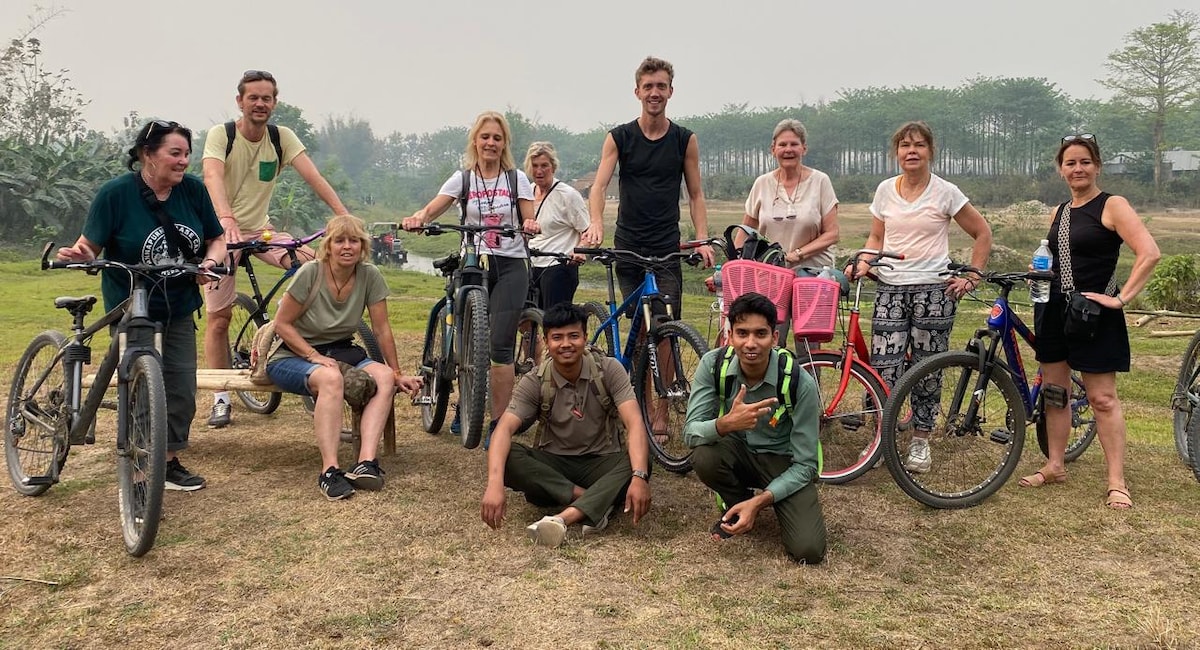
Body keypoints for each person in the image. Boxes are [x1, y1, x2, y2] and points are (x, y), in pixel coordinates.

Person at [57, 120, 225, 491]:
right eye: (175, 153)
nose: (183, 161)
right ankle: (138, 471)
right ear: (147, 154)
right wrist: (81, 254)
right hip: (133, 307)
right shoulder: (116, 194)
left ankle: (168, 462)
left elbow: (216, 238)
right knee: (140, 387)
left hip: (179, 305)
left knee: (181, 388)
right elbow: (89, 245)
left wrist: (211, 262)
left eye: (187, 154)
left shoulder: (193, 191)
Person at [201, 69, 350, 430]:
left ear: (274, 103)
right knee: (219, 318)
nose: (260, 103)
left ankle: (288, 326)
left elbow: (313, 176)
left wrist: (343, 215)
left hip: (261, 229)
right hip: (220, 232)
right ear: (240, 101)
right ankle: (220, 398)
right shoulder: (223, 135)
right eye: (253, 97)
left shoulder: (281, 138)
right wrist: (225, 218)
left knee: (314, 266)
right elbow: (212, 176)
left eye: (266, 98)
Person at [1019, 134, 1160, 510]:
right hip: (1053, 310)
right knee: (1055, 392)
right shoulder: (1060, 211)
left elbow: (1149, 253)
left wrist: (1121, 298)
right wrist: (1038, 270)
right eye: (1070, 163)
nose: (1077, 169)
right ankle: (1055, 465)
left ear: (1097, 166)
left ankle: (1116, 481)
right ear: (1061, 169)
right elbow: (1057, 256)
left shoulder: (1113, 205)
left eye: (1085, 162)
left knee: (1102, 398)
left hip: (1094, 313)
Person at [847, 120, 992, 474]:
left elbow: (982, 232)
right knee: (884, 367)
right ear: (896, 152)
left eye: (919, 145)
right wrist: (864, 261)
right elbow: (876, 237)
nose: (911, 151)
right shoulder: (885, 190)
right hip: (890, 289)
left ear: (930, 151)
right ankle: (881, 440)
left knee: (927, 368)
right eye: (904, 145)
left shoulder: (946, 192)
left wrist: (972, 276)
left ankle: (920, 441)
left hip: (934, 292)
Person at [402, 111, 539, 437]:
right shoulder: (462, 179)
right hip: (473, 262)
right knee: (468, 343)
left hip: (510, 262)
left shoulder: (516, 179)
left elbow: (528, 215)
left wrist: (530, 223)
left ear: (504, 143)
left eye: (497, 138)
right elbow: (433, 207)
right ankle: (466, 405)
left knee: (500, 345)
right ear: (475, 141)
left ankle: (499, 426)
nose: (490, 143)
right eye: (485, 137)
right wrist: (419, 218)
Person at [265, 214, 422, 501]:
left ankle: (366, 462)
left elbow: (382, 329)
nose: (347, 247)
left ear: (363, 246)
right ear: (329, 245)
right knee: (331, 378)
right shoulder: (310, 272)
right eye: (339, 241)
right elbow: (282, 324)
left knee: (384, 377)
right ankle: (329, 471)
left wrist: (397, 372)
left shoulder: (369, 275)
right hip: (291, 353)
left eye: (354, 241)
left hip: (341, 349)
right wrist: (312, 355)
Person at [480, 303, 652, 548]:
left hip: (602, 462)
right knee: (507, 455)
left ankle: (563, 518)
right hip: (554, 465)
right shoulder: (535, 380)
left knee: (641, 461)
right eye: (557, 337)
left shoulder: (609, 369)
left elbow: (634, 423)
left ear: (585, 337)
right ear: (546, 342)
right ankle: (595, 501)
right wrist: (494, 484)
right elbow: (504, 429)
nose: (566, 344)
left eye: (573, 336)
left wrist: (639, 475)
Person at [683, 293, 826, 564]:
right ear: (729, 336)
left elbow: (806, 464)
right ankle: (737, 500)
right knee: (704, 455)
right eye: (742, 333)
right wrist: (725, 424)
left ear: (775, 338)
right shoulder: (713, 365)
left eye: (760, 334)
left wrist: (761, 502)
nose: (750, 343)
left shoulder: (799, 382)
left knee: (808, 550)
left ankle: (756, 503)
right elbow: (690, 433)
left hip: (784, 462)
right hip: (738, 452)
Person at [583, 55, 715, 313]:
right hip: (628, 242)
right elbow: (598, 187)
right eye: (648, 87)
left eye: (661, 86)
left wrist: (701, 239)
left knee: (667, 319)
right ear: (638, 92)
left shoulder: (684, 139)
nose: (655, 93)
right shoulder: (619, 137)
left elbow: (696, 194)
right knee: (637, 319)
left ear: (670, 91)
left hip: (666, 243)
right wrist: (596, 221)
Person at [740, 119, 839, 270]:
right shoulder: (762, 183)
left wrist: (798, 254)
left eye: (794, 144)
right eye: (782, 145)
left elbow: (832, 234)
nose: (788, 150)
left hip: (813, 273)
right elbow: (746, 231)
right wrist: (733, 267)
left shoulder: (820, 181)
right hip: (771, 272)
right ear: (773, 149)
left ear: (804, 148)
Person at [524, 141, 588, 308]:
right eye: (535, 166)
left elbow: (587, 230)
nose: (539, 171)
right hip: (532, 264)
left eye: (544, 165)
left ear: (553, 167)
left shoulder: (567, 195)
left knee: (553, 317)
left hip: (558, 265)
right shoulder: (527, 193)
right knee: (525, 316)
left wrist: (581, 249)